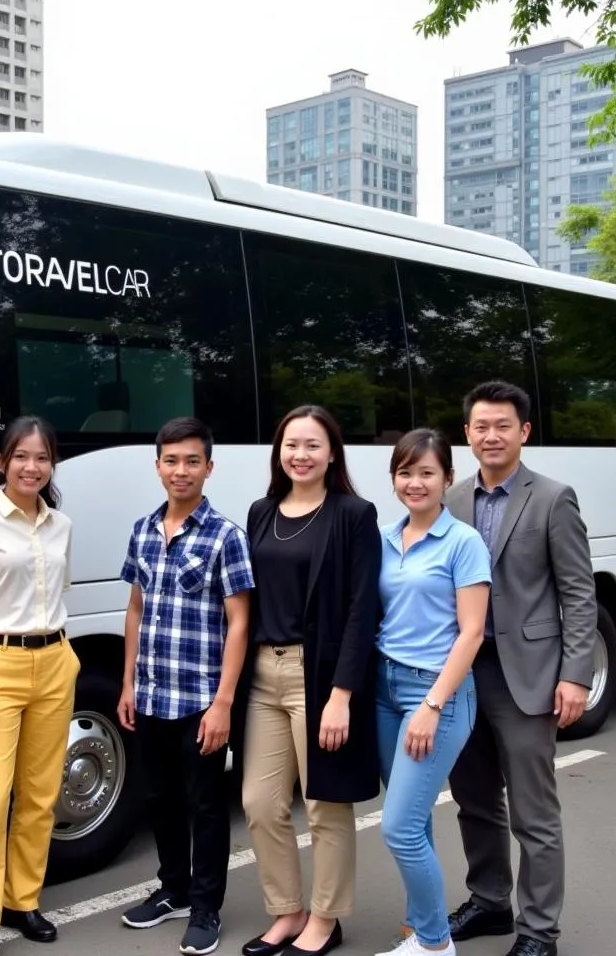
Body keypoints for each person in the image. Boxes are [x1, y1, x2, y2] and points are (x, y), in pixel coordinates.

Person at [444, 381, 597, 956]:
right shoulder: (453, 499)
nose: (491, 435)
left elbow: (578, 593)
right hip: (464, 676)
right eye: (480, 426)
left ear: (523, 431)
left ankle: (539, 932)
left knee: (535, 814)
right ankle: (489, 903)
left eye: (502, 425)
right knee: (475, 801)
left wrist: (576, 674)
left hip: (528, 676)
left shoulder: (554, 497)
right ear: (467, 433)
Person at [235, 405, 383, 956]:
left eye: (312, 445)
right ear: (278, 451)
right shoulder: (261, 511)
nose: (300, 454)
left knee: (324, 805)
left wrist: (341, 695)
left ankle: (326, 918)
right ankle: (287, 910)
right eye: (291, 444)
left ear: (332, 454)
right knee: (259, 803)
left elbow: (361, 609)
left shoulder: (353, 514)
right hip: (262, 677)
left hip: (317, 677)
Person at [117, 416, 254, 956]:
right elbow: (135, 606)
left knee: (205, 805)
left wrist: (224, 703)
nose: (181, 471)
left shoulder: (226, 536)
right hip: (151, 693)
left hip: (201, 700)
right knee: (158, 797)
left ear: (209, 467)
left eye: (192, 461)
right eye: (171, 461)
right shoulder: (144, 529)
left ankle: (206, 908)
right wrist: (127, 682)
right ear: (157, 467)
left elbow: (239, 622)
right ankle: (172, 889)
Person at [0, 416, 79, 955]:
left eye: (42, 457)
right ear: (2, 462)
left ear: (51, 465)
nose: (32, 467)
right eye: (21, 456)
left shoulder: (61, 525)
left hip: (54, 660)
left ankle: (22, 900)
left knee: (41, 795)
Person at [375, 428, 490, 956]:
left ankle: (436, 942)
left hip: (435, 695)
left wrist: (431, 705)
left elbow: (471, 632)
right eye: (405, 472)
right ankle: (422, 929)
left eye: (427, 473)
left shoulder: (464, 542)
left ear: (447, 478)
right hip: (384, 687)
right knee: (412, 819)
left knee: (397, 827)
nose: (415, 482)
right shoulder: (385, 537)